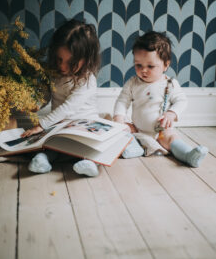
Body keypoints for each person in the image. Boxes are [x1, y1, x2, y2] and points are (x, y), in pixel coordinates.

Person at [113, 31, 208, 167]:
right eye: (138, 65)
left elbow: (181, 101)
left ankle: (188, 154)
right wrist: (119, 119)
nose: (143, 70)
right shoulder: (133, 83)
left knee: (172, 138)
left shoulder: (170, 84)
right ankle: (132, 149)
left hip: (160, 131)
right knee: (124, 131)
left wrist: (171, 113)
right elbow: (122, 101)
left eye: (150, 66)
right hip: (138, 129)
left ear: (166, 64)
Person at [21, 19, 101, 176]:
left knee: (91, 147)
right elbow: (46, 94)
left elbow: (68, 107)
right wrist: (36, 104)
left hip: (84, 126)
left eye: (71, 63)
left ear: (87, 59)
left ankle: (88, 163)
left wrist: (41, 124)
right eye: (59, 59)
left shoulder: (87, 80)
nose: (63, 66)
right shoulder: (55, 73)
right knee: (50, 145)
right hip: (59, 125)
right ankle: (42, 159)